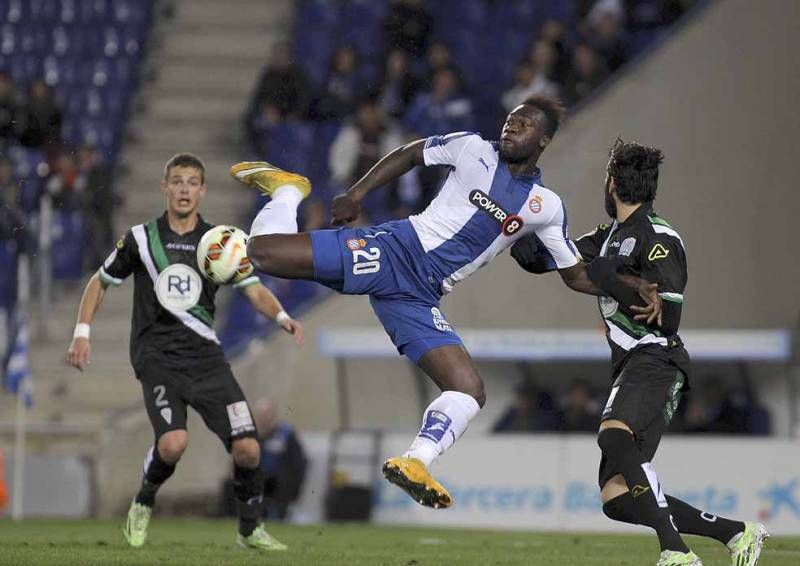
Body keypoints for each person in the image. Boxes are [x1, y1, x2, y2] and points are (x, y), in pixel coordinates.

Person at [228, 95, 661, 509]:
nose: (511, 126)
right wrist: (357, 194)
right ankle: (288, 192)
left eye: (524, 124)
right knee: (262, 253)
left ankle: (415, 463)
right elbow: (411, 154)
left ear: (543, 141)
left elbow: (577, 276)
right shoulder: (471, 147)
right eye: (510, 119)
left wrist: (627, 287)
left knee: (469, 388)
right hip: (395, 252)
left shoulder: (545, 207)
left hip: (420, 296)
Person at [511, 139, 768, 566]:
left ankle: (675, 551)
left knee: (613, 432)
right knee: (617, 498)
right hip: (632, 364)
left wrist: (609, 278)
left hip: (657, 358)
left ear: (612, 183)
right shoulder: (607, 238)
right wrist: (518, 225)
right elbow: (545, 259)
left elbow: (667, 319)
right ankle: (736, 534)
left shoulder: (660, 238)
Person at [65, 153, 304, 552]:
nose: (184, 189)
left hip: (206, 358)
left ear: (203, 191)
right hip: (156, 355)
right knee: (174, 443)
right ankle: (142, 502)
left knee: (248, 448)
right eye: (177, 181)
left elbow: (252, 288)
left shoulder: (219, 243)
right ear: (165, 188)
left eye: (192, 182)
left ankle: (250, 530)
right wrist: (82, 333)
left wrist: (281, 315)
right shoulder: (141, 239)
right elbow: (100, 281)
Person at [252, 398, 307, 520]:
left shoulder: (286, 435)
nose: (264, 419)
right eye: (261, 415)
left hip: (280, 485)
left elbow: (298, 463)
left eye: (267, 415)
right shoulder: (252, 437)